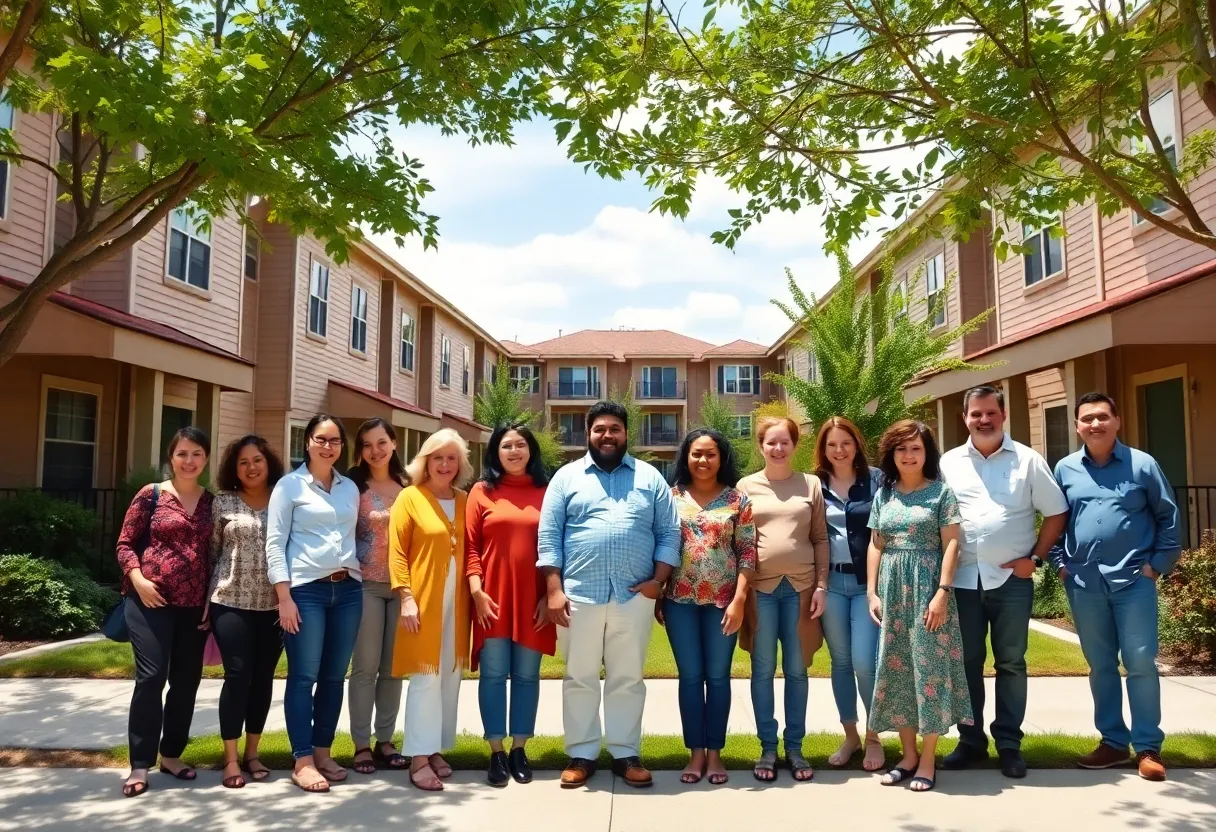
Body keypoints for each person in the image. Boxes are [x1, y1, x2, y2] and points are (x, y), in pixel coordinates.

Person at [538, 401, 681, 790]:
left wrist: (659, 581)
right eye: (600, 429)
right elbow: (549, 535)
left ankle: (625, 753)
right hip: (579, 595)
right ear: (588, 433)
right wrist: (554, 589)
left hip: (634, 596)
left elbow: (669, 532)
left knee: (628, 677)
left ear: (626, 433)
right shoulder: (566, 478)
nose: (607, 435)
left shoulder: (650, 477)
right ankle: (581, 754)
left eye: (615, 429)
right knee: (579, 676)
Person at [938, 386, 1069, 779]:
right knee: (967, 662)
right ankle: (971, 741)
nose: (984, 420)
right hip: (963, 580)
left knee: (1011, 662)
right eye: (976, 413)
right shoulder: (949, 463)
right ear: (965, 418)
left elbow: (1056, 512)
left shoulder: (1028, 460)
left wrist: (1035, 558)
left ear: (1004, 414)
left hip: (1012, 580)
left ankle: (1009, 744)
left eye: (990, 413)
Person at [1051, 392, 1181, 781]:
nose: (1096, 424)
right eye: (1087, 418)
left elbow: (1168, 517)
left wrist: (1157, 566)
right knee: (1101, 665)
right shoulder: (1065, 469)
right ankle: (1112, 743)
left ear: (1117, 421)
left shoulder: (1143, 465)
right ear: (1077, 426)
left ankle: (1148, 748)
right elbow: (1055, 520)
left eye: (1103, 416)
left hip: (1134, 582)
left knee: (1140, 662)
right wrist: (1060, 566)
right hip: (1084, 583)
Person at [866, 419, 972, 793]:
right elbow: (876, 544)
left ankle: (928, 760)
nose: (908, 455)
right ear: (891, 454)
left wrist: (942, 592)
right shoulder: (884, 495)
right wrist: (872, 592)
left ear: (927, 453)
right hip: (893, 593)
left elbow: (952, 544)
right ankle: (908, 756)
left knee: (929, 672)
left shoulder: (941, 493)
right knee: (897, 671)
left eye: (916, 448)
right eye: (901, 448)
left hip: (928, 591)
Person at [116, 427, 215, 798]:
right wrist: (138, 579)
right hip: (149, 601)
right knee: (151, 677)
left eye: (197, 454)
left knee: (186, 682)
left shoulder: (212, 502)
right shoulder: (152, 495)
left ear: (206, 458)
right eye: (182, 454)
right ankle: (140, 764)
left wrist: (211, 600)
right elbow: (125, 544)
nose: (189, 461)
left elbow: (216, 555)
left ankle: (171, 755)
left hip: (194, 607)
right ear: (171, 457)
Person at [266, 414, 362, 794]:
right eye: (321, 439)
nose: (328, 446)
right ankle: (302, 760)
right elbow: (275, 543)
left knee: (334, 677)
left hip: (348, 590)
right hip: (306, 591)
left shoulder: (349, 488)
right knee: (304, 676)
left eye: (335, 440)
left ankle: (323, 753)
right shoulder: (289, 486)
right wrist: (284, 596)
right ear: (307, 441)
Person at [657, 429, 755, 787]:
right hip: (679, 601)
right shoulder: (671, 497)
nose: (703, 460)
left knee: (717, 677)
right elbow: (660, 544)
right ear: (686, 457)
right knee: (690, 677)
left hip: (722, 603)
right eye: (696, 453)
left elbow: (748, 552)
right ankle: (695, 753)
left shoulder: (737, 499)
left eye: (710, 454)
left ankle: (715, 753)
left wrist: (739, 600)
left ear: (721, 458)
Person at [736, 416, 828, 784]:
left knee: (796, 670)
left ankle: (795, 747)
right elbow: (741, 540)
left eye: (784, 442)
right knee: (762, 670)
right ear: (761, 446)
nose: (778, 448)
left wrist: (821, 585)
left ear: (794, 445)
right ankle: (768, 748)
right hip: (760, 591)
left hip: (801, 588)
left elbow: (820, 538)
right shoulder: (746, 486)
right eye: (771, 442)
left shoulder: (811, 484)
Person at [466, 423, 556, 787]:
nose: (514, 451)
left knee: (526, 676)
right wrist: (476, 592)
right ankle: (496, 751)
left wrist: (549, 596)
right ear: (496, 452)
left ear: (531, 450)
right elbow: (471, 547)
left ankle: (519, 749)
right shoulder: (481, 491)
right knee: (492, 675)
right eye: (507, 445)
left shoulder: (547, 491)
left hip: (534, 599)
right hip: (491, 598)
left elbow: (556, 546)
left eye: (520, 445)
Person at [389, 428, 474, 792]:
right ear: (425, 461)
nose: (444, 464)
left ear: (460, 463)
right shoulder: (410, 497)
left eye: (451, 457)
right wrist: (406, 597)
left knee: (450, 675)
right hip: (422, 600)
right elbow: (397, 552)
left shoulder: (465, 499)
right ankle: (418, 759)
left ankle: (436, 746)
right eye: (437, 457)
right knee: (426, 676)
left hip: (459, 602)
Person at [208, 435, 286, 789]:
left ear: (268, 462)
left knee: (263, 678)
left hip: (273, 605)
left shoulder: (284, 499)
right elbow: (212, 552)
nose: (251, 467)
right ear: (234, 468)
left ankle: (253, 753)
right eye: (243, 462)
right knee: (238, 676)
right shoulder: (222, 501)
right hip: (229, 601)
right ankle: (230, 759)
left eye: (257, 460)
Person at [815, 416, 886, 773]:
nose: (839, 450)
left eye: (845, 443)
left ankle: (874, 737)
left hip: (865, 586)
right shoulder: (815, 485)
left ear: (857, 444)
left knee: (864, 661)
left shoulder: (876, 480)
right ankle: (850, 735)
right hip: (831, 584)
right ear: (823, 449)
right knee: (840, 662)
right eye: (832, 444)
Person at [347, 418, 410, 776]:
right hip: (365, 585)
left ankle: (385, 740)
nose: (376, 450)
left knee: (392, 669)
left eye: (382, 442)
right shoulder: (351, 486)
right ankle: (360, 745)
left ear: (394, 443)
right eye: (367, 444)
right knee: (365, 668)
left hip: (403, 588)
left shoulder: (409, 486)